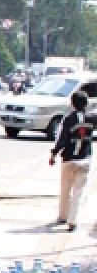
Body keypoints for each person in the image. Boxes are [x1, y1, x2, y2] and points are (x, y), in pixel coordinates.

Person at [49, 91, 95, 231]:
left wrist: (53, 154)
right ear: (86, 104)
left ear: (72, 103)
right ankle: (73, 221)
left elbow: (61, 139)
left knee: (65, 189)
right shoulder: (92, 118)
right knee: (78, 192)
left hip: (68, 160)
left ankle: (62, 216)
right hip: (85, 160)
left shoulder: (68, 119)